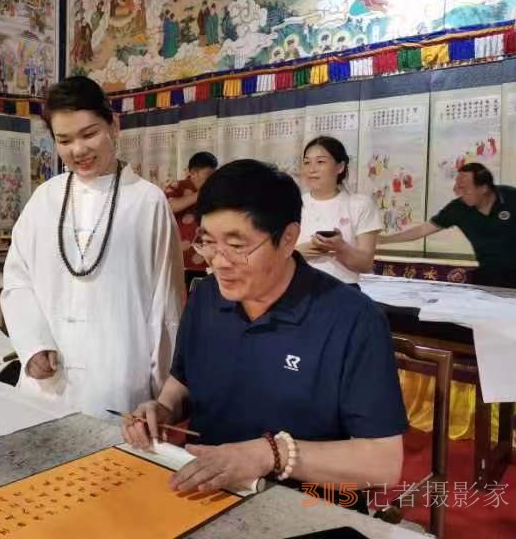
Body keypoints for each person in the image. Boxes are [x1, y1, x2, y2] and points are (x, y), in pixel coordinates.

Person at [122, 160, 406, 507]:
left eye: (237, 246)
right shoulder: (208, 296)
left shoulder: (351, 319)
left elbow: (382, 463)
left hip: (306, 505)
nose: (218, 262)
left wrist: (268, 454)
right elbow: (181, 385)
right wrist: (161, 409)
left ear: (288, 239)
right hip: (208, 493)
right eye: (208, 242)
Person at [1, 76, 184, 419]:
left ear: (114, 125)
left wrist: (162, 393)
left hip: (117, 375)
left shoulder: (147, 202)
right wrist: (32, 344)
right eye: (64, 140)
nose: (78, 150)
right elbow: (17, 280)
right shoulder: (44, 199)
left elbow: (166, 304)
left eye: (89, 134)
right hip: (49, 380)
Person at [378, 163, 516, 289]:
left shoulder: (515, 198)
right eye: (456, 186)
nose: (456, 191)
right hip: (489, 273)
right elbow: (423, 230)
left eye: (463, 187)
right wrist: (384, 240)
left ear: (484, 187)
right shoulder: (458, 208)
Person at [297, 137, 381, 285]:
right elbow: (271, 257)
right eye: (307, 162)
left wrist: (340, 247)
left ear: (340, 167)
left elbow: (365, 264)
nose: (311, 169)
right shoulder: (292, 204)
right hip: (297, 289)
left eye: (320, 162)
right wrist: (296, 254)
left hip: (345, 290)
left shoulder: (360, 205)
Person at [165, 152, 218, 291]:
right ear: (193, 172)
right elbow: (169, 206)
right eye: (208, 174)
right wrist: (201, 194)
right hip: (181, 259)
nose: (212, 179)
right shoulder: (177, 186)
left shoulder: (215, 191)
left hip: (207, 259)